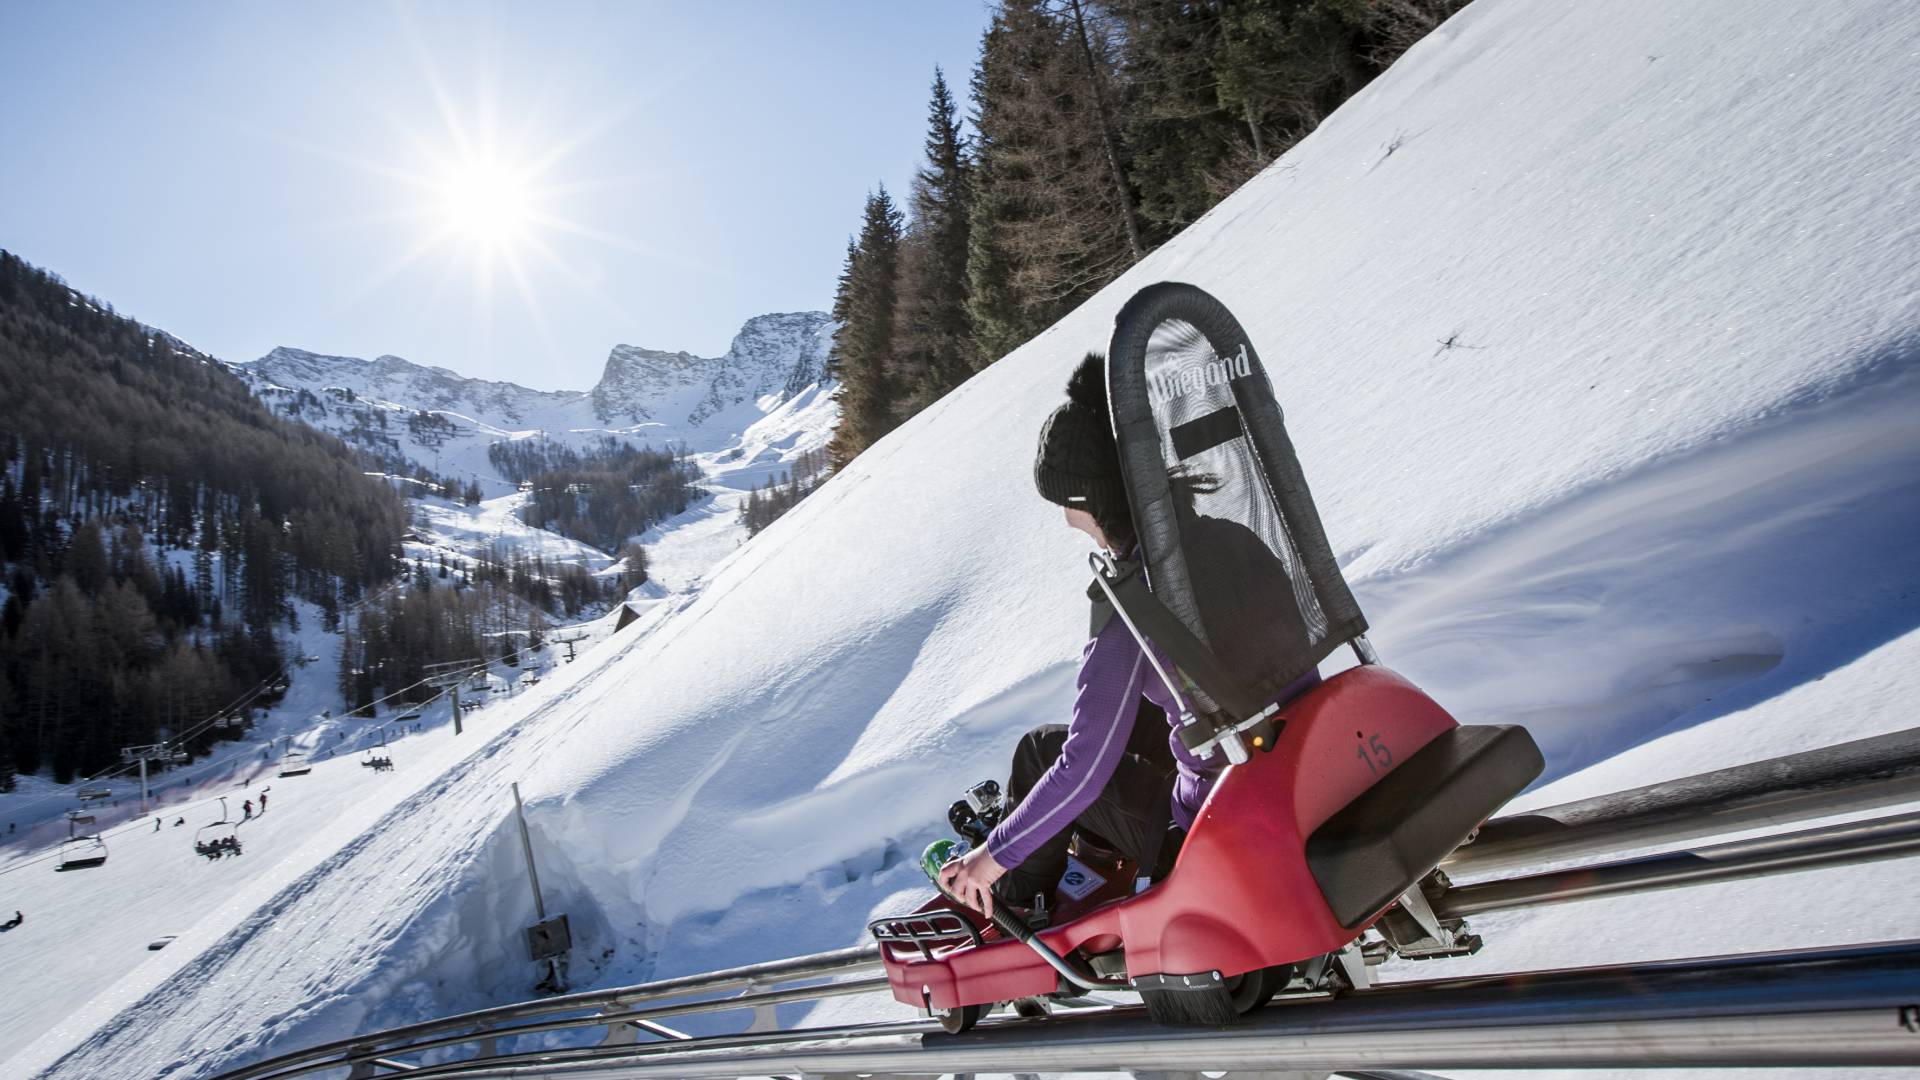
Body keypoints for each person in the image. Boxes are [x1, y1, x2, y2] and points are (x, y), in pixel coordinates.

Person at [938, 353, 1318, 918]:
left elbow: (1084, 768)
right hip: (1298, 760)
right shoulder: (1232, 538)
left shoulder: (1133, 608)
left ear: (1091, 503)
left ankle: (1014, 900)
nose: (1065, 519)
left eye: (1065, 504)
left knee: (1043, 752)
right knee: (1141, 713)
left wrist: (992, 857)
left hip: (1217, 815)